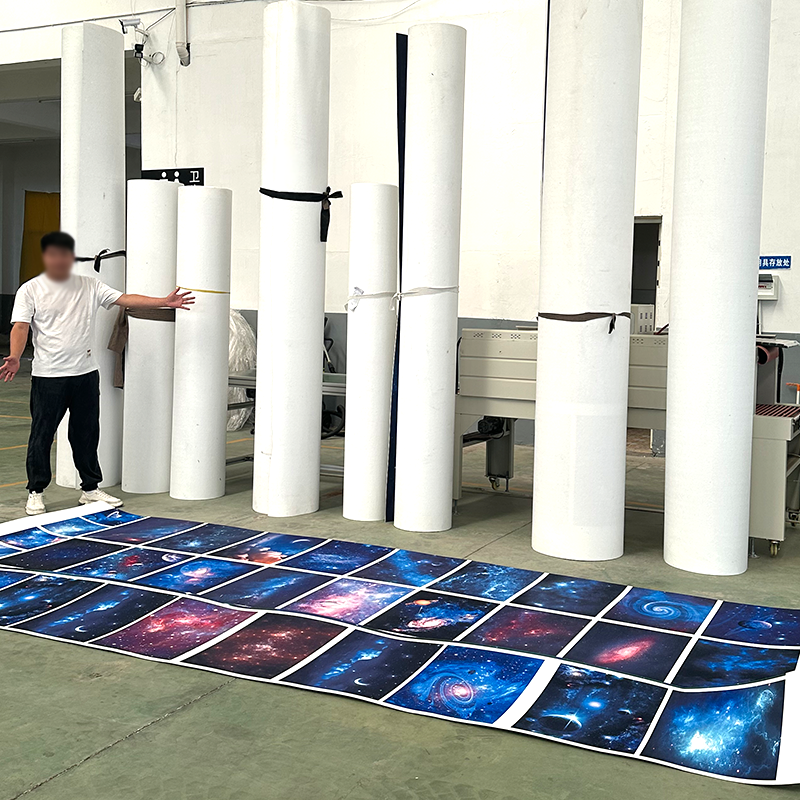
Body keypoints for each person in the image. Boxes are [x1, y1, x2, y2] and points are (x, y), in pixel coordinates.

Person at [0, 231, 194, 516]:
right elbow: (20, 326)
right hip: (49, 376)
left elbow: (125, 299)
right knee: (42, 434)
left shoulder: (89, 285)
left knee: (87, 434)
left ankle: (90, 489)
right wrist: (16, 356)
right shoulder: (30, 290)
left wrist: (164, 301)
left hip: (85, 375)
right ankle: (36, 491)